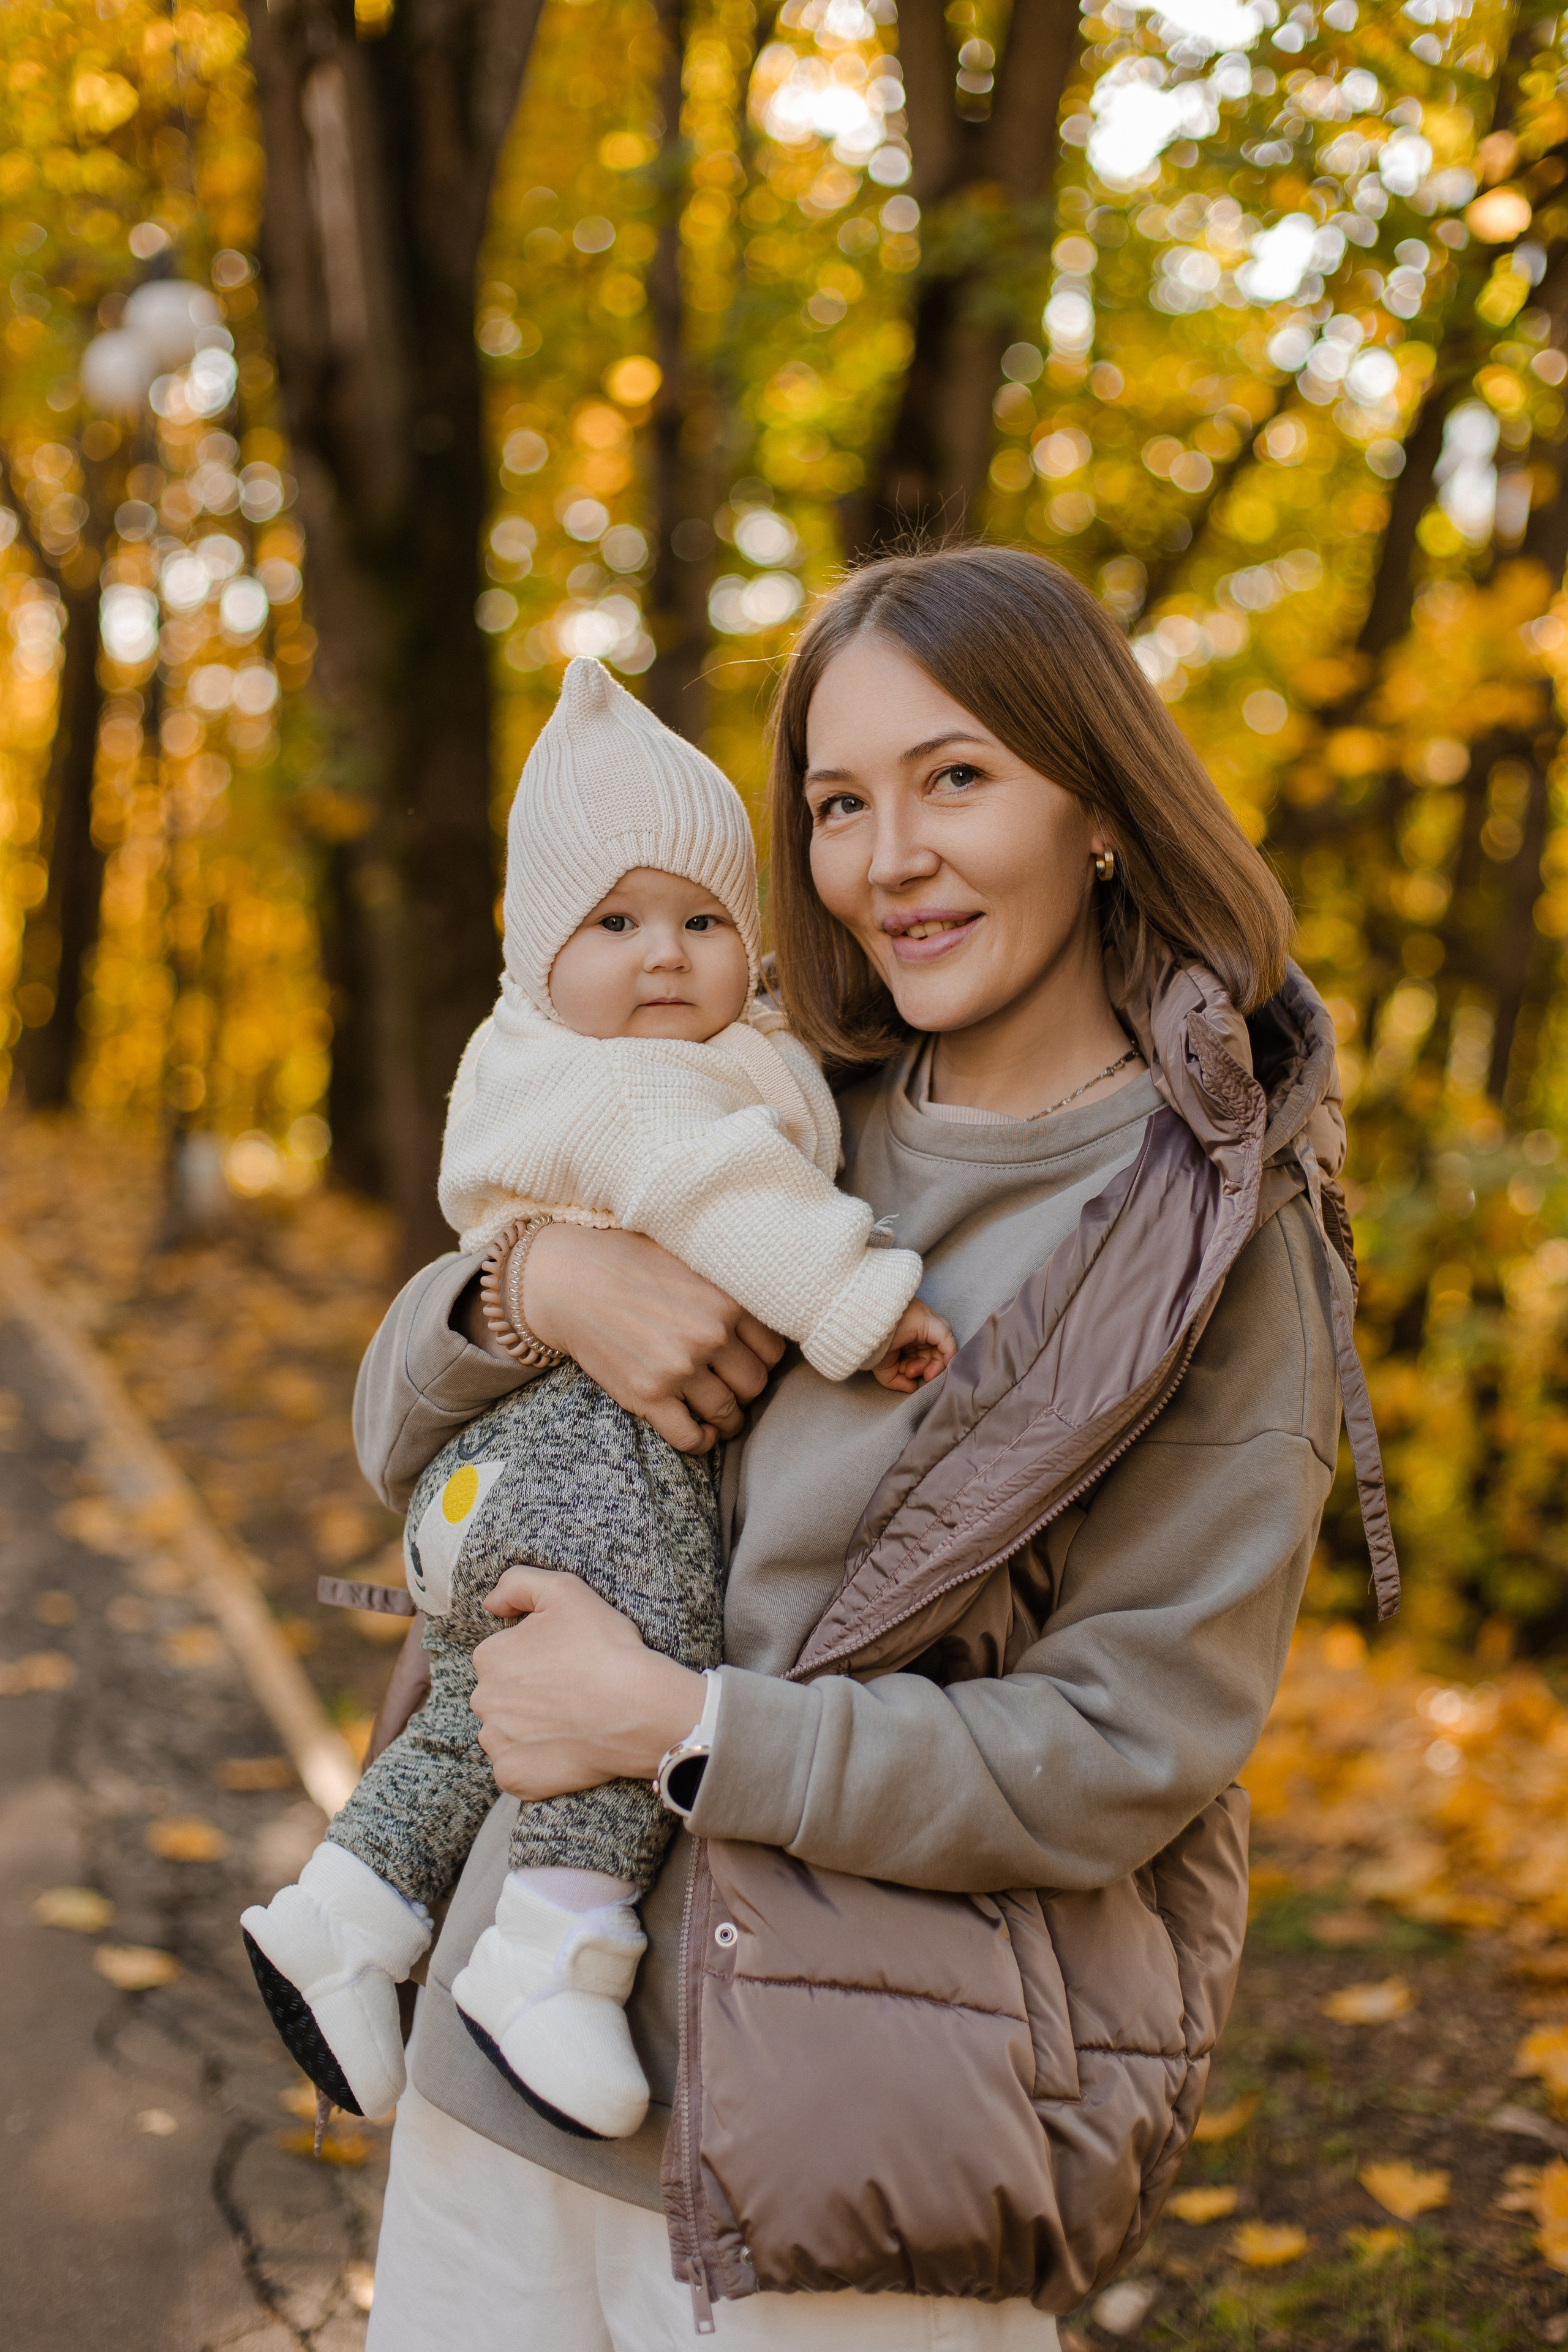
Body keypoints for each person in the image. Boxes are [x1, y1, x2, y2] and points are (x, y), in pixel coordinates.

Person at [350, 546, 1390, 2349]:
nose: (887, 857)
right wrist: (538, 1282)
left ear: (1102, 811)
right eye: (840, 801)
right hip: (506, 2071)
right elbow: (391, 1432)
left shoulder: (1215, 1243)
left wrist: (685, 1730)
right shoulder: (760, 1099)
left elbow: (1123, 1750)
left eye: (957, 777)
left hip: (842, 2153)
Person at [240, 657, 952, 2144]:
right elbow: (723, 1192)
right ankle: (555, 1944)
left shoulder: (669, 1054)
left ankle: (350, 1911)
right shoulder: (633, 1090)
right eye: (614, 922)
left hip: (497, 1482)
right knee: (639, 1636)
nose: (664, 958)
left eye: (703, 922)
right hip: (576, 1456)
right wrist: (860, 1309)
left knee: (465, 1720)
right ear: (535, 949)